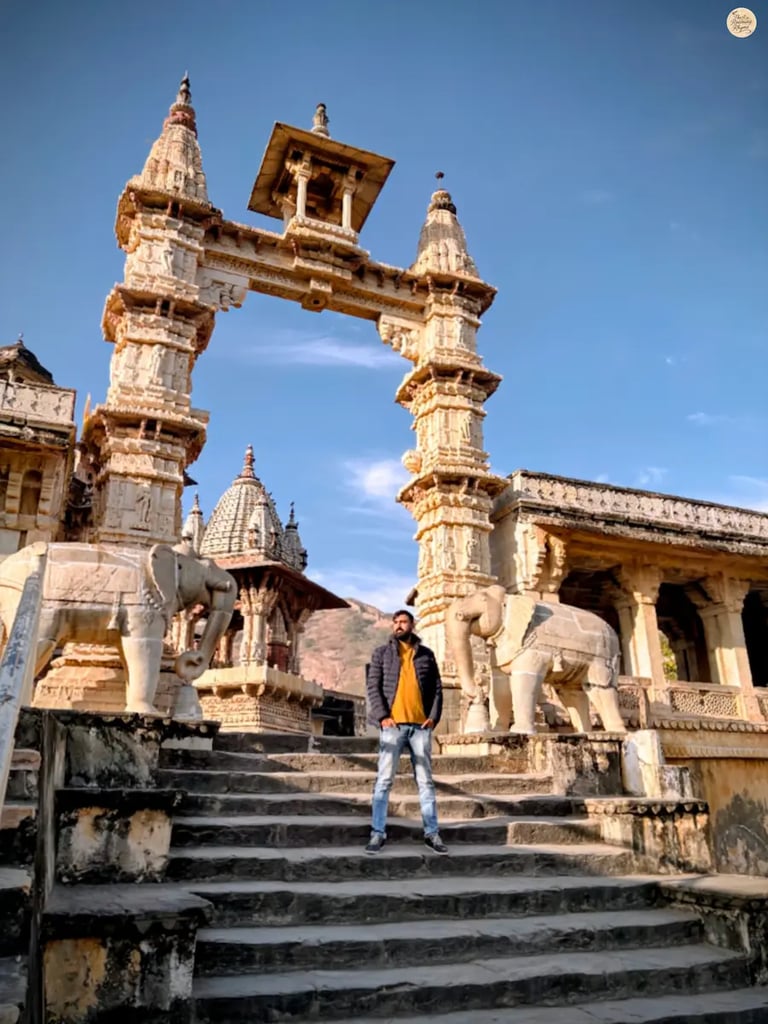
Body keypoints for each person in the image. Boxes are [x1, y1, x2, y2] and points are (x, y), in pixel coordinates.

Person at [364, 609, 448, 855]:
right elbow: (373, 687)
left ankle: (432, 833)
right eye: (396, 622)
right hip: (393, 726)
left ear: (412, 625)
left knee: (425, 781)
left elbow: (437, 689)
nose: (398, 626)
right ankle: (377, 833)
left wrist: (433, 717)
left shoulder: (426, 655)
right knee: (384, 780)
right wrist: (383, 717)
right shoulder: (382, 654)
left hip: (420, 727)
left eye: (403, 622)